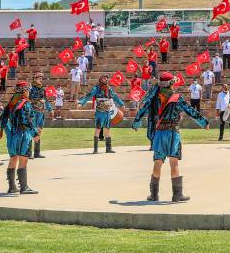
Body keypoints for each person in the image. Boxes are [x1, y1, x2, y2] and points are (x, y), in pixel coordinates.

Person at [132, 72, 209, 202]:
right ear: (171, 84)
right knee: (174, 163)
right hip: (172, 133)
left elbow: (142, 110)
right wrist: (204, 122)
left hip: (159, 134)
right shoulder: (176, 98)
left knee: (158, 162)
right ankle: (177, 195)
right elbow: (191, 111)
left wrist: (136, 123)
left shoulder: (154, 97)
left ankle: (154, 195)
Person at [1, 81, 39, 194]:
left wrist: (8, 132)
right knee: (23, 160)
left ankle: (12, 187)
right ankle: (24, 187)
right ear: (24, 91)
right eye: (27, 90)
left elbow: (3, 119)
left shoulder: (12, 102)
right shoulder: (24, 103)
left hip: (13, 134)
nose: (29, 92)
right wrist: (35, 134)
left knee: (13, 158)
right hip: (23, 135)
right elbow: (25, 120)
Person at [78, 74, 125, 154]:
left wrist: (122, 104)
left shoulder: (109, 89)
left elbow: (115, 97)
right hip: (99, 113)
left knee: (107, 130)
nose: (105, 80)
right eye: (103, 79)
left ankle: (108, 149)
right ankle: (95, 150)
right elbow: (89, 95)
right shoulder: (96, 88)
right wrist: (81, 102)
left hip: (107, 113)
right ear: (100, 80)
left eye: (106, 79)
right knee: (98, 129)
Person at [28, 72, 52, 159]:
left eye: (41, 78)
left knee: (39, 131)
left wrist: (50, 109)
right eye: (39, 78)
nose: (41, 79)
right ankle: (28, 152)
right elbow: (27, 100)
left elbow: (45, 99)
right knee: (32, 131)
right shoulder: (30, 89)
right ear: (34, 79)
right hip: (33, 113)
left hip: (41, 112)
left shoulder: (42, 89)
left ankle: (37, 152)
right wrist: (37, 101)